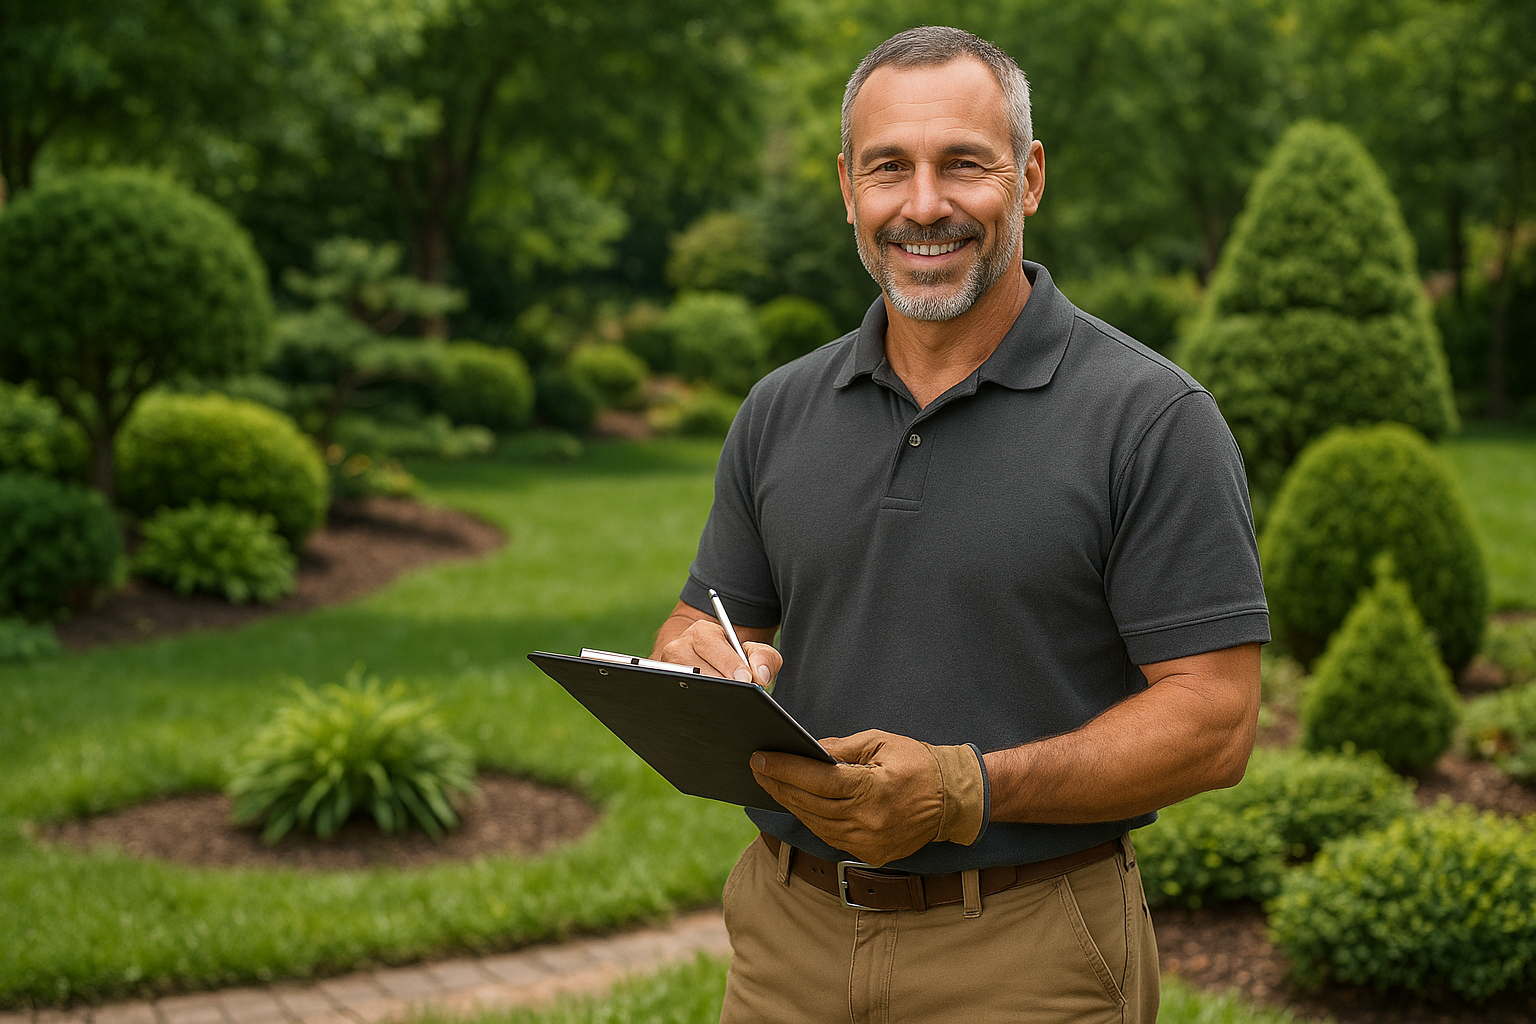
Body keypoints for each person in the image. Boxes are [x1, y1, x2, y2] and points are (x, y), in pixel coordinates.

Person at [651, 25, 1268, 1024]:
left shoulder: (1151, 418)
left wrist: (964, 788)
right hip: (785, 940)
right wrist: (706, 667)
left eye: (964, 165)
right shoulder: (780, 407)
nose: (925, 205)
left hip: (1028, 951)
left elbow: (1216, 721)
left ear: (1027, 179)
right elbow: (699, 624)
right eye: (890, 167)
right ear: (848, 185)